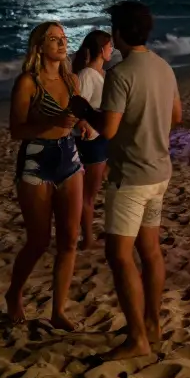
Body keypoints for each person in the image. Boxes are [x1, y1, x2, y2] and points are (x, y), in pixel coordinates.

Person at [71, 0, 181, 359]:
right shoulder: (163, 67)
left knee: (118, 255)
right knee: (149, 251)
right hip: (159, 171)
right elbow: (176, 115)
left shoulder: (121, 73)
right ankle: (152, 323)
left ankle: (136, 339)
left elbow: (109, 129)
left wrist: (85, 109)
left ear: (118, 33)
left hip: (131, 176)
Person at [6, 22, 84, 329]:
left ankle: (58, 310)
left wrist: (83, 125)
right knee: (38, 241)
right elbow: (16, 130)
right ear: (39, 46)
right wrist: (52, 120)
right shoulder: (28, 83)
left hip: (70, 158)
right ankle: (14, 293)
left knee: (69, 240)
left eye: (63, 38)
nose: (61, 43)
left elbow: (76, 120)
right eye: (54, 39)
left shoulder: (72, 80)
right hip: (36, 160)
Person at [72, 29, 114, 250]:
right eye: (109, 46)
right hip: (93, 142)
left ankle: (99, 233)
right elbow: (76, 106)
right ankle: (87, 238)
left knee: (104, 189)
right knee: (89, 194)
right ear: (101, 49)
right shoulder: (86, 75)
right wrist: (83, 123)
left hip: (104, 138)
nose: (112, 49)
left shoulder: (102, 73)